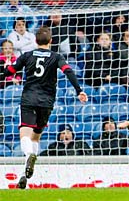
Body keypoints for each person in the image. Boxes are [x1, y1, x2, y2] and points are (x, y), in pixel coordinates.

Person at [0, 26, 88, 189]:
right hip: (47, 102)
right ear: (51, 41)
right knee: (36, 136)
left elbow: (9, 71)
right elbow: (68, 71)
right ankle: (25, 171)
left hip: (29, 98)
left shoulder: (27, 55)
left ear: (35, 41)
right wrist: (79, 90)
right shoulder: (56, 57)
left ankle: (29, 155)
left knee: (25, 133)